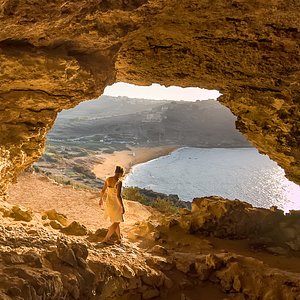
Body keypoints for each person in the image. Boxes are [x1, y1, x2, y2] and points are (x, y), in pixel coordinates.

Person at [99, 165, 125, 244]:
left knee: (115, 220)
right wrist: (122, 206)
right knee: (117, 221)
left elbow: (103, 190)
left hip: (108, 202)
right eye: (122, 174)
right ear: (120, 173)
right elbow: (118, 196)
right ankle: (106, 238)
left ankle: (119, 237)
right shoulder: (119, 182)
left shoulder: (108, 179)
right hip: (115, 204)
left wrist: (101, 200)